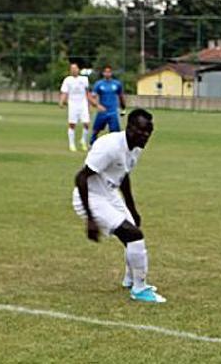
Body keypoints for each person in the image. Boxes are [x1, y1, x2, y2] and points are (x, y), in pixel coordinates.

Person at [72, 109, 166, 303]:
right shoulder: (109, 146)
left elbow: (123, 175)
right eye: (141, 131)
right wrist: (90, 219)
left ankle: (130, 279)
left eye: (149, 131)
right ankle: (140, 289)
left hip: (109, 193)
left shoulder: (136, 148)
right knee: (134, 235)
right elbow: (81, 177)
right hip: (91, 196)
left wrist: (132, 208)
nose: (146, 135)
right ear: (129, 128)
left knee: (132, 233)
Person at [59, 63, 92, 152]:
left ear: (78, 69)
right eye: (72, 69)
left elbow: (87, 92)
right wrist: (62, 101)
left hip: (83, 104)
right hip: (73, 105)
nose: (74, 70)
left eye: (75, 68)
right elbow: (64, 92)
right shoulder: (67, 80)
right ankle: (72, 144)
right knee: (72, 124)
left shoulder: (84, 79)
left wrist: (90, 103)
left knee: (86, 123)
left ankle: (83, 141)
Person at [90, 65, 126, 145]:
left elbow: (121, 96)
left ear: (111, 73)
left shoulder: (117, 84)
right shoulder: (99, 84)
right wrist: (97, 105)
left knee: (115, 132)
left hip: (113, 111)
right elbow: (92, 97)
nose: (107, 73)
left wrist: (123, 108)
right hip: (102, 111)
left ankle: (116, 147)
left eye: (109, 72)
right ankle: (92, 144)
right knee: (96, 130)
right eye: (105, 72)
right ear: (103, 73)